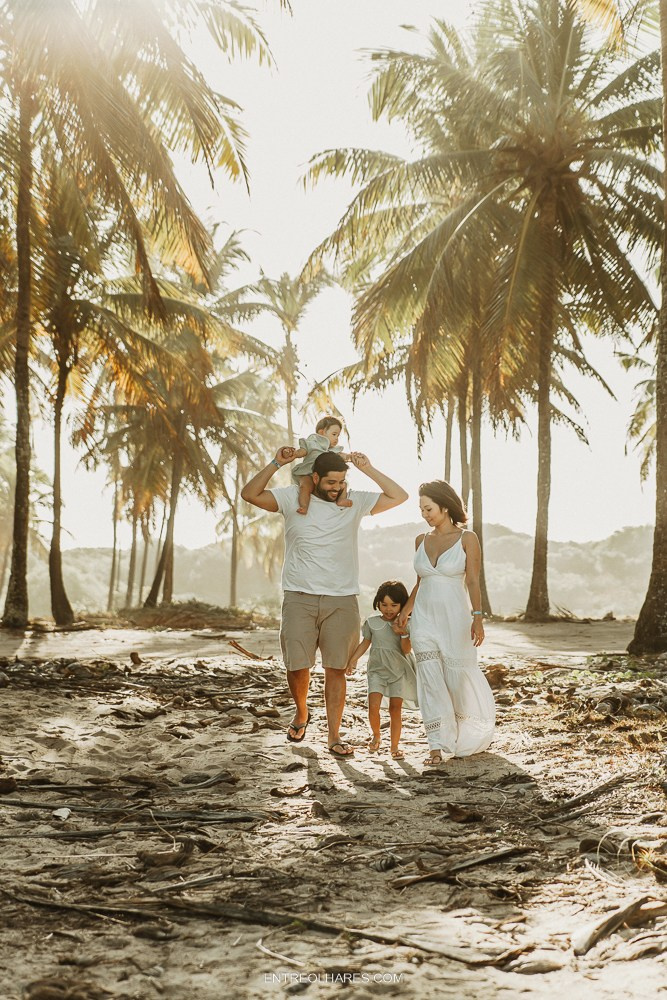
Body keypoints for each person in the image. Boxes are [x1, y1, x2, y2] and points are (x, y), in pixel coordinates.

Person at [240, 449, 408, 758]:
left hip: (341, 599)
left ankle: (333, 736)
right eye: (330, 482)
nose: (336, 488)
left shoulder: (354, 500)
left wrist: (367, 467)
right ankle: (302, 712)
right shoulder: (293, 499)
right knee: (297, 666)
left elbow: (399, 496)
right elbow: (250, 494)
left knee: (336, 669)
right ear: (315, 478)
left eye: (341, 481)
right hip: (298, 596)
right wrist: (278, 462)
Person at [397, 480, 495, 766]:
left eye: (428, 508)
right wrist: (406, 611)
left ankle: (464, 734)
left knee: (457, 678)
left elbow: (474, 580)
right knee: (429, 681)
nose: (425, 514)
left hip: (455, 618)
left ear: (444, 506)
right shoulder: (420, 540)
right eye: (421, 509)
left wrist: (477, 618)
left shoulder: (468, 538)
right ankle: (437, 745)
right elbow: (420, 582)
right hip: (424, 619)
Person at [345, 580, 418, 760]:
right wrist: (352, 660)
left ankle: (394, 747)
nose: (389, 609)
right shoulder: (372, 622)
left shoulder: (405, 623)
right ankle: (377, 735)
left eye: (394, 605)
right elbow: (365, 644)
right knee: (373, 707)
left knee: (395, 710)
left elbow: (406, 650)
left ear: (402, 604)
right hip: (377, 671)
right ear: (377, 603)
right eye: (384, 604)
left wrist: (403, 632)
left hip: (399, 672)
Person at [286, 416, 352, 515]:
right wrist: (294, 453)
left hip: (325, 478)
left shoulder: (333, 450)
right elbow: (303, 451)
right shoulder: (312, 443)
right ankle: (304, 506)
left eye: (338, 436)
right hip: (308, 473)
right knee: (305, 486)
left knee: (344, 485)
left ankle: (341, 500)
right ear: (321, 433)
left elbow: (343, 456)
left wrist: (351, 457)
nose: (336, 438)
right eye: (334, 434)